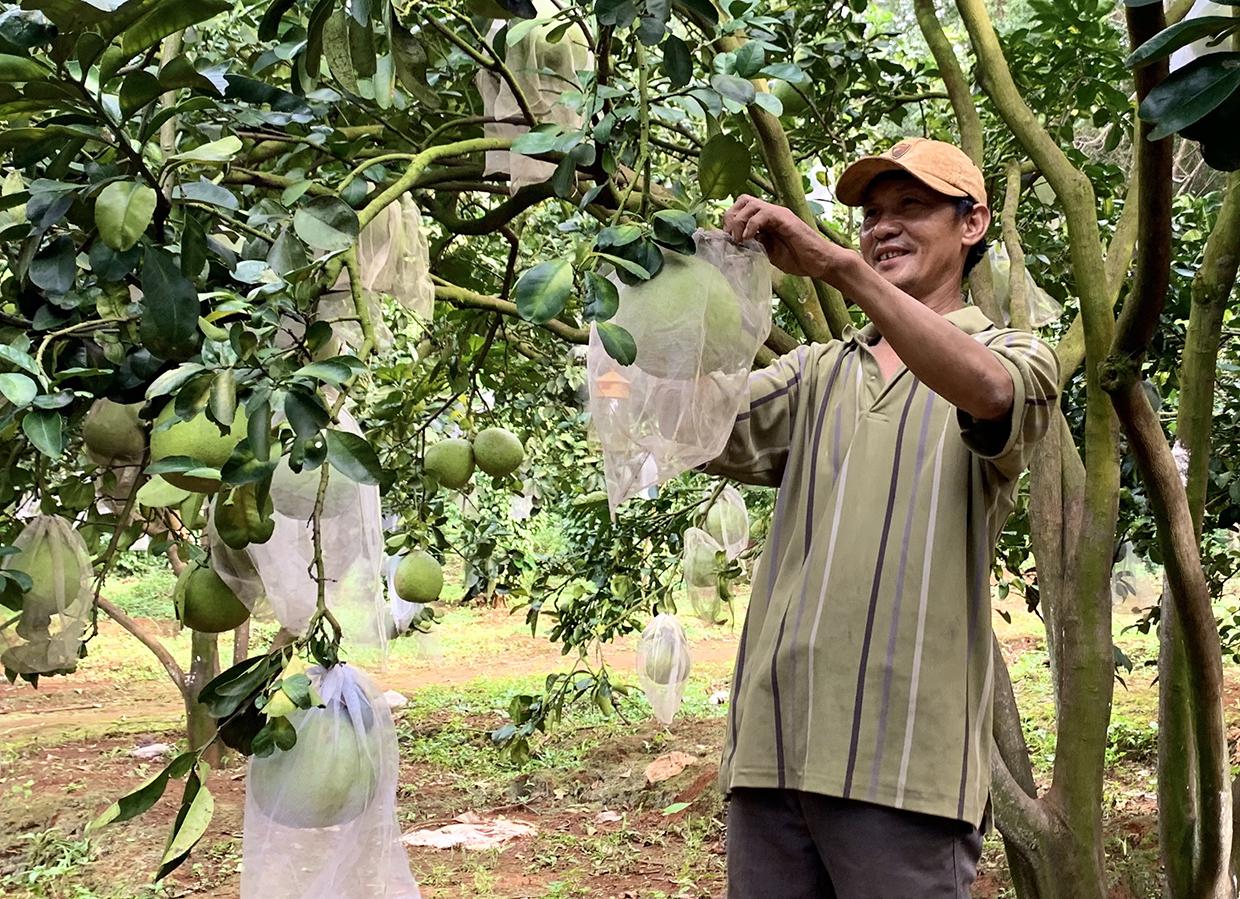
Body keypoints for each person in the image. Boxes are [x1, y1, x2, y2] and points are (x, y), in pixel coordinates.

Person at [710, 137, 1060, 898]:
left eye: (911, 206)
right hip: (773, 751)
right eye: (871, 215)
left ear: (973, 224)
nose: (883, 226)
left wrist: (841, 268)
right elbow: (693, 424)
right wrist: (673, 285)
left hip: (904, 767)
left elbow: (992, 393)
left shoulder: (1016, 356)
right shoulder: (818, 370)